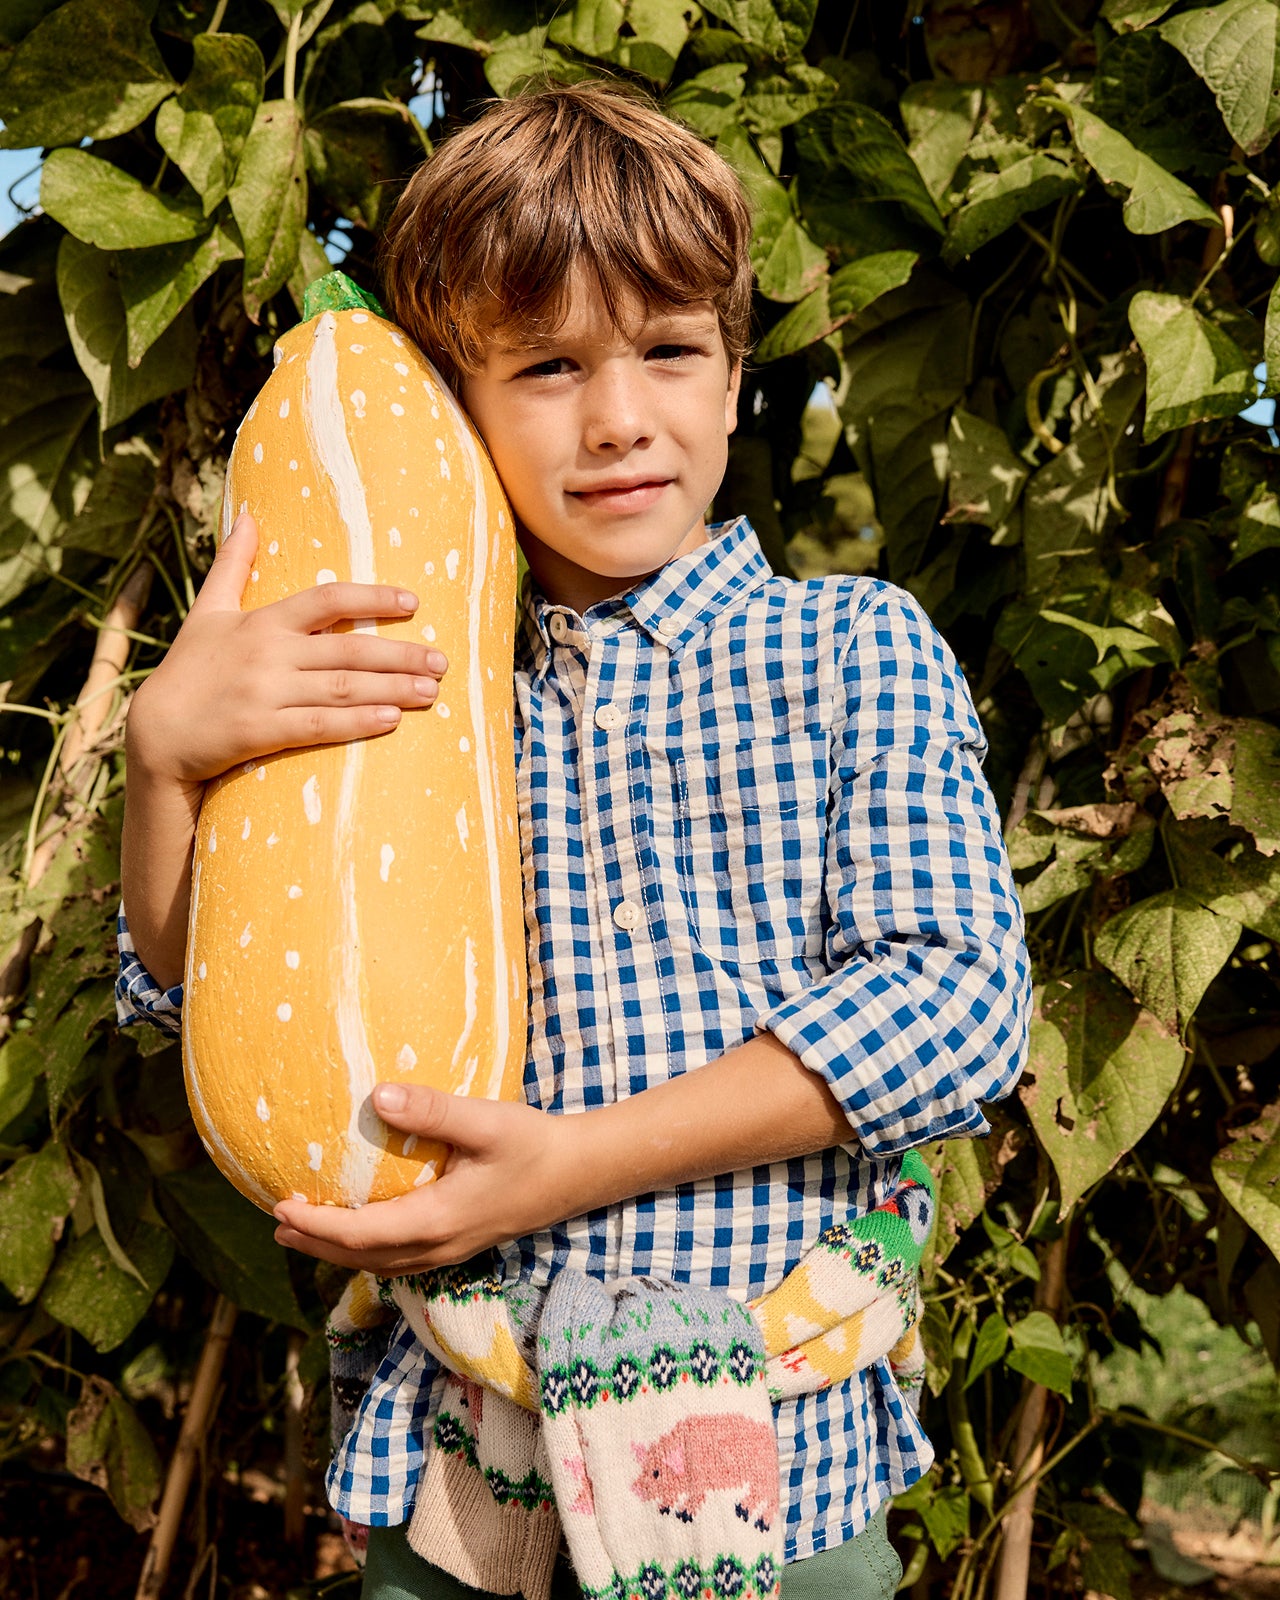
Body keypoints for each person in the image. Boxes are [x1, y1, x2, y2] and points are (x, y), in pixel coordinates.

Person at [116, 80, 1030, 1600]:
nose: (618, 419)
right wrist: (166, 763)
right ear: (460, 413)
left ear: (736, 377)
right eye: (545, 367)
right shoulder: (417, 681)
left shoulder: (851, 647)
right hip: (477, 1475)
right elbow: (185, 988)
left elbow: (953, 1008)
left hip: (775, 1473)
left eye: (668, 351)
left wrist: (570, 1167)